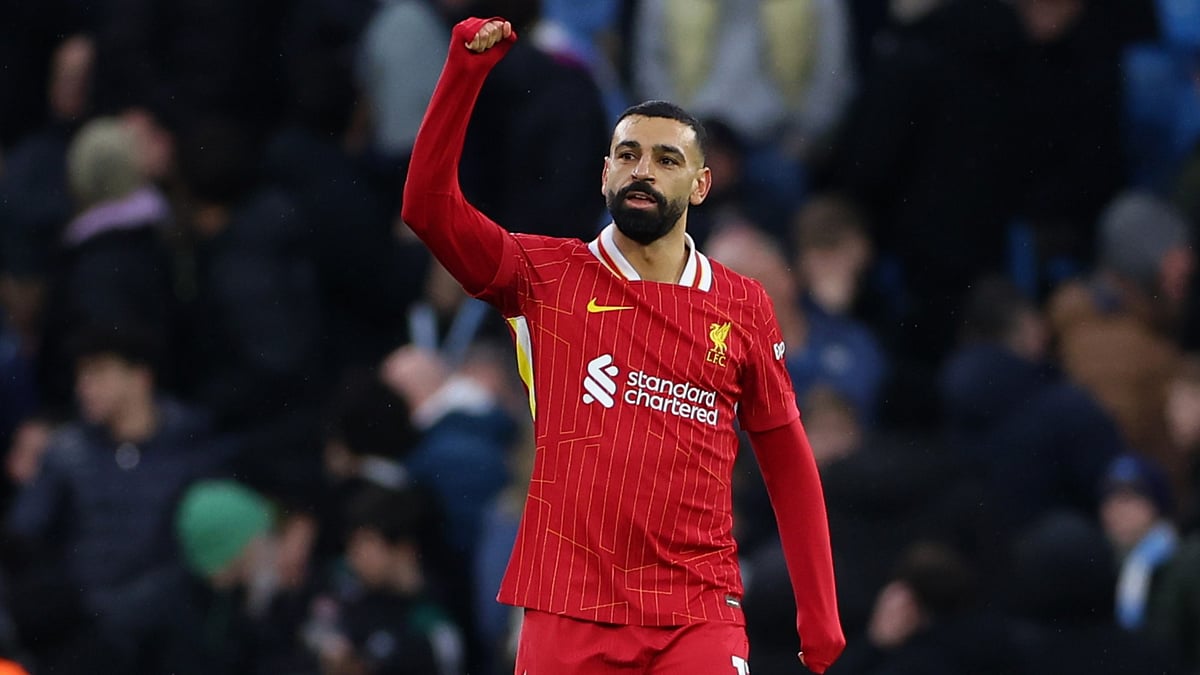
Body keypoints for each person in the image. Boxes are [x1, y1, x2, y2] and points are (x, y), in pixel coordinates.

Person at [402, 17, 844, 674]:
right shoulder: (546, 275)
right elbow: (427, 209)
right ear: (605, 174)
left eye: (667, 159)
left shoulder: (743, 303)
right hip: (566, 609)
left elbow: (786, 457)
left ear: (700, 184)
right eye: (629, 155)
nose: (644, 170)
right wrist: (463, 78)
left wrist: (820, 608)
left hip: (696, 613)